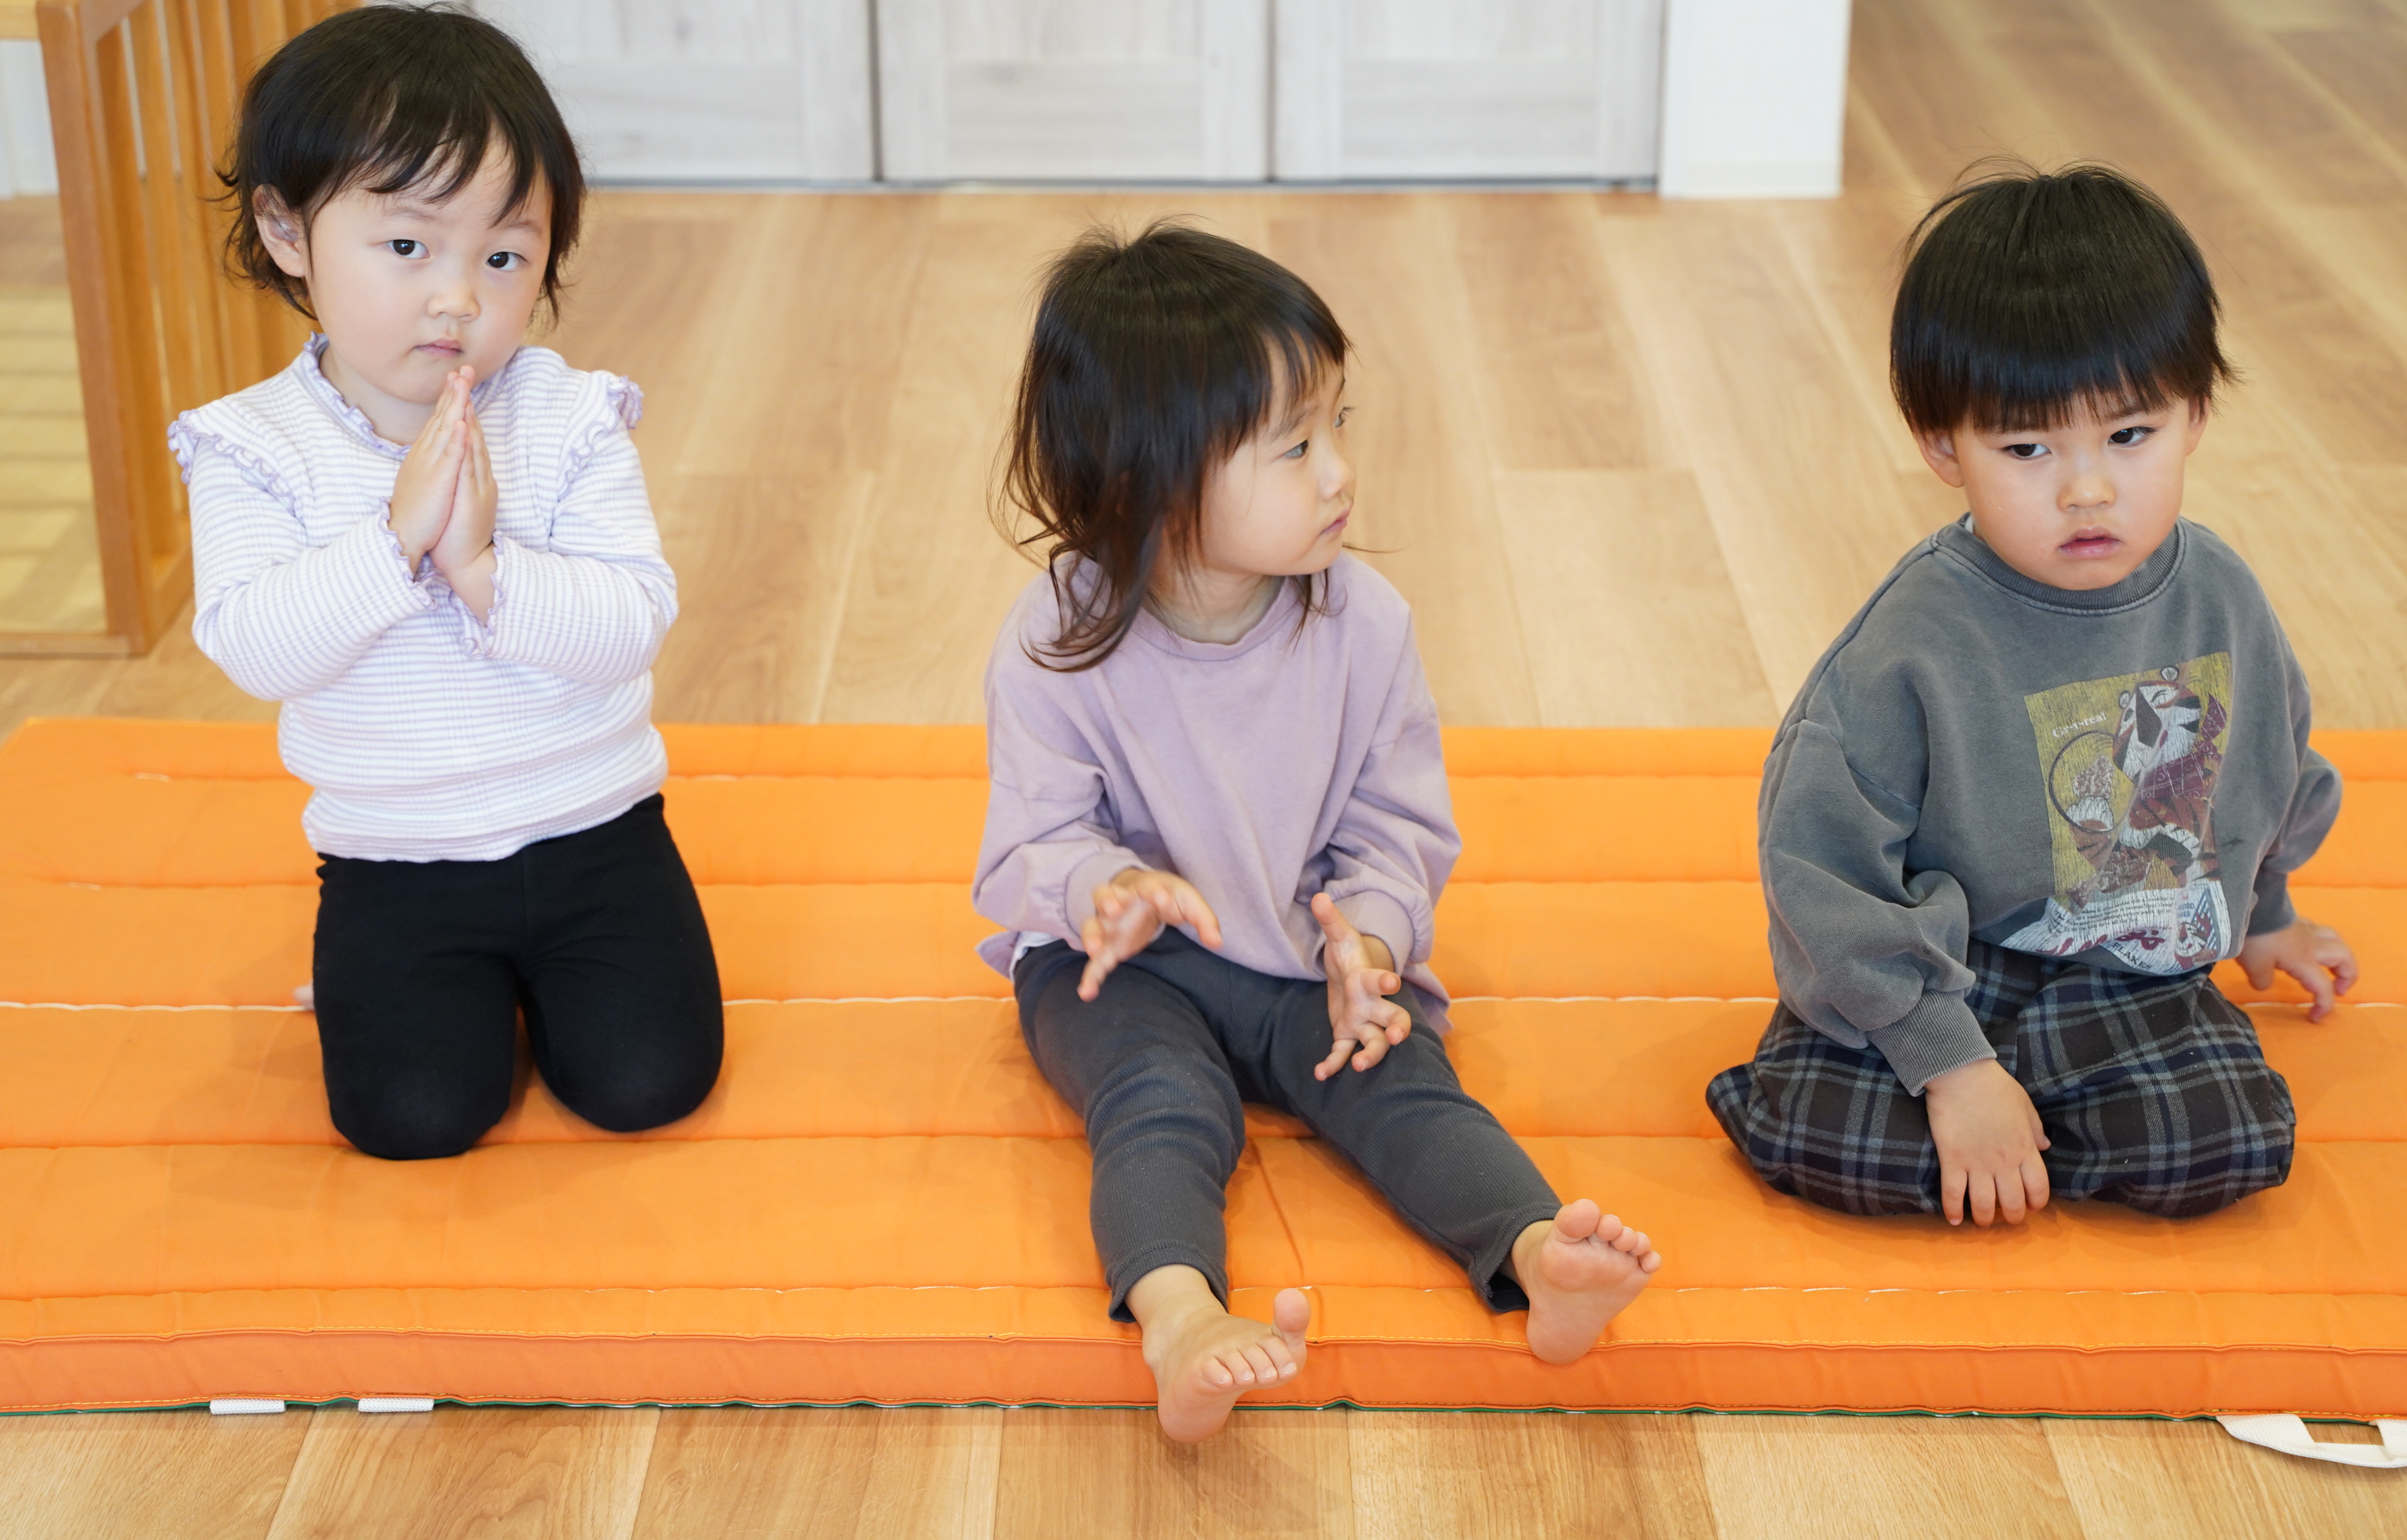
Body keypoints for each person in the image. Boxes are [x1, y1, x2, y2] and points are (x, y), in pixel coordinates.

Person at [973, 223, 1662, 1443]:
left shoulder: (1364, 624)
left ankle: (1536, 1255)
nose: (1340, 472)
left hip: (1305, 961)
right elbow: (1036, 841)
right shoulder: (1053, 640)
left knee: (1401, 1078)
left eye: (1338, 425)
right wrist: (1110, 890)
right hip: (1125, 971)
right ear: (1148, 482)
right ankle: (1181, 1321)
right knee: (1157, 1098)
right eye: (1295, 447)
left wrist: (1371, 946)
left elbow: (1396, 829)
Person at [1707, 162, 2355, 1228]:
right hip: (1948, 962)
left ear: (2195, 413)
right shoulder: (1914, 637)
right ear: (1941, 446)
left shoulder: (2222, 597)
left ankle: (2031, 1136)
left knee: (2233, 1141)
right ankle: (2004, 1113)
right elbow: (1824, 864)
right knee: (1819, 1137)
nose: (2086, 488)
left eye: (2129, 436)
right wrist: (1952, 1065)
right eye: (2026, 447)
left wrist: (2265, 918)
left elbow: (2265, 773)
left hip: (2130, 966)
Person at [171, 4, 721, 1161]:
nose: (459, 297)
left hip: (597, 833)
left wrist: (479, 568)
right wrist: (394, 544)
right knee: (411, 1119)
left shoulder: (569, 413)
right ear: (285, 231)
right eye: (408, 247)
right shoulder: (249, 444)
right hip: (394, 859)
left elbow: (632, 623)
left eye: (504, 256)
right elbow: (257, 648)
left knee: (650, 1084)